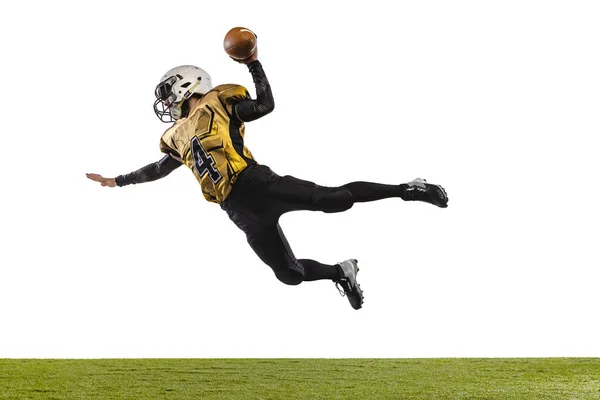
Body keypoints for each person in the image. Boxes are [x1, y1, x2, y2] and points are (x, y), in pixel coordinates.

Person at [86, 48, 449, 310]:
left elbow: (264, 105)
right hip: (236, 209)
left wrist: (253, 63)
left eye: (168, 91)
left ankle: (408, 189)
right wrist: (119, 180)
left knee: (336, 199)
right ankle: (341, 272)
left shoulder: (219, 100)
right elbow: (159, 169)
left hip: (255, 182)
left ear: (188, 84)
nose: (165, 101)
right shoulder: (174, 136)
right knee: (289, 275)